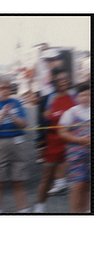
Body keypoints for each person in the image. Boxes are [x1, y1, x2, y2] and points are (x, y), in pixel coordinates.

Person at [0, 76, 30, 213]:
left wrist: (12, 116)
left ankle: (23, 210)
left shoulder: (17, 103)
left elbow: (24, 124)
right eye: (2, 88)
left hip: (17, 143)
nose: (5, 90)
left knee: (19, 182)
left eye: (8, 87)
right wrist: (2, 116)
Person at [33, 67, 76, 213]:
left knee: (78, 180)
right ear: (54, 82)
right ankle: (40, 207)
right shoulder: (48, 99)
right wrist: (40, 146)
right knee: (47, 178)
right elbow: (42, 124)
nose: (63, 82)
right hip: (52, 143)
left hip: (71, 142)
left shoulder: (75, 96)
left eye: (66, 79)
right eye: (60, 79)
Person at [58, 82, 90, 213]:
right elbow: (62, 132)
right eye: (82, 95)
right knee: (77, 186)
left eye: (88, 94)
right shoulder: (71, 112)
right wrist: (80, 140)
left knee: (87, 186)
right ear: (77, 97)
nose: (85, 97)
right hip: (76, 156)